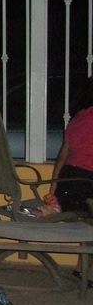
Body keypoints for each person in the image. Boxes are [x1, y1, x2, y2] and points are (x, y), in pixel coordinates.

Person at [50, 75, 93, 215]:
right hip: (86, 187)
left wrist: (53, 194)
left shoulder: (78, 118)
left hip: (66, 185)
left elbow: (62, 158)